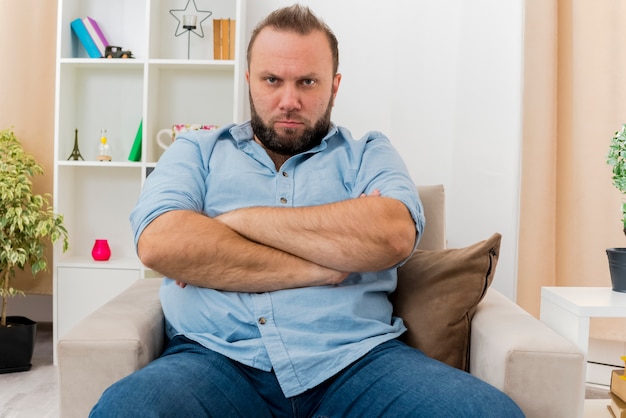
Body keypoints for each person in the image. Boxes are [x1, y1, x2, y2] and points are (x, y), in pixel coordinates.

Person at [90, 5, 524, 417]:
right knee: (124, 411)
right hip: (215, 359)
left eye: (308, 83)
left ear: (335, 85)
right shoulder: (196, 151)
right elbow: (161, 242)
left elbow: (392, 235)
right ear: (249, 80)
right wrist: (323, 266)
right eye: (272, 80)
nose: (289, 100)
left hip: (357, 360)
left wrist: (238, 221)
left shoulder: (369, 153)